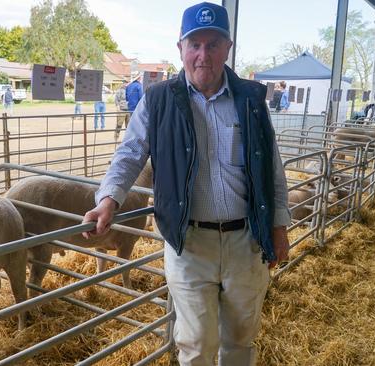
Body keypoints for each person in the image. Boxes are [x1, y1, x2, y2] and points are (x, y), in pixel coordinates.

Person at [81, 2, 291, 365]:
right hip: (189, 244)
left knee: (241, 339)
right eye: (194, 44)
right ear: (180, 48)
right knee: (195, 344)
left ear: (228, 48)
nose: (202, 55)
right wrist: (108, 200)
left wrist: (279, 224)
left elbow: (271, 165)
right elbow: (130, 154)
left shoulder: (252, 100)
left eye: (212, 44)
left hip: (246, 241)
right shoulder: (159, 100)